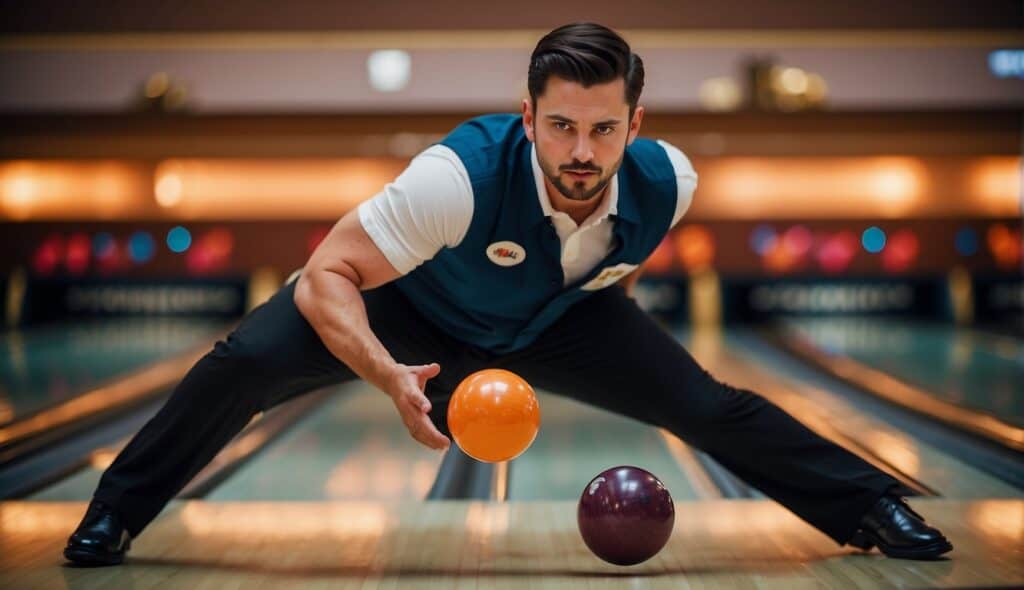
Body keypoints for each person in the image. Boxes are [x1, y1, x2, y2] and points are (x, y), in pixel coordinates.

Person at [65, 22, 952, 566]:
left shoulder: (669, 182)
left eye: (604, 130)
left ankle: (873, 509)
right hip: (410, 311)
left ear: (635, 126)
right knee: (245, 363)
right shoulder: (453, 181)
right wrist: (388, 375)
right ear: (526, 116)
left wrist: (603, 329)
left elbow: (618, 263)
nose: (580, 150)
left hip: (560, 321)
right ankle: (113, 514)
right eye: (560, 125)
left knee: (706, 403)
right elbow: (329, 273)